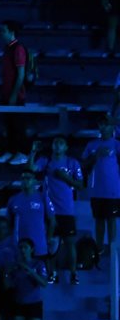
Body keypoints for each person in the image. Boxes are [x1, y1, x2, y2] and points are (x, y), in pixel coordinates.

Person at [30, 136, 84, 283]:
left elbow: (80, 185)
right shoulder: (46, 161)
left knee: (69, 242)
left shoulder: (73, 163)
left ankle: (73, 273)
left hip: (66, 210)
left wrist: (66, 177)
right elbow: (31, 169)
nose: (57, 145)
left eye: (61, 143)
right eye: (55, 143)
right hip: (49, 210)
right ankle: (52, 273)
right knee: (50, 244)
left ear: (66, 147)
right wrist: (33, 152)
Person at [0, 21, 30, 166]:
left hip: (16, 96)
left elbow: (20, 74)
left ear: (11, 31)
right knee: (9, 124)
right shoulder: (7, 49)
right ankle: (11, 150)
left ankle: (22, 152)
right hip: (6, 94)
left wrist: (14, 95)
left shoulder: (18, 48)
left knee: (18, 125)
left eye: (4, 30)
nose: (1, 33)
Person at [82, 119, 120, 250]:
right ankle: (99, 249)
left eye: (106, 124)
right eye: (101, 124)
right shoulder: (91, 144)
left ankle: (112, 249)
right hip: (96, 190)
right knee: (99, 220)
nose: (103, 127)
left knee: (111, 220)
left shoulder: (116, 144)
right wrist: (96, 155)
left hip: (113, 190)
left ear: (111, 127)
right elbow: (83, 164)